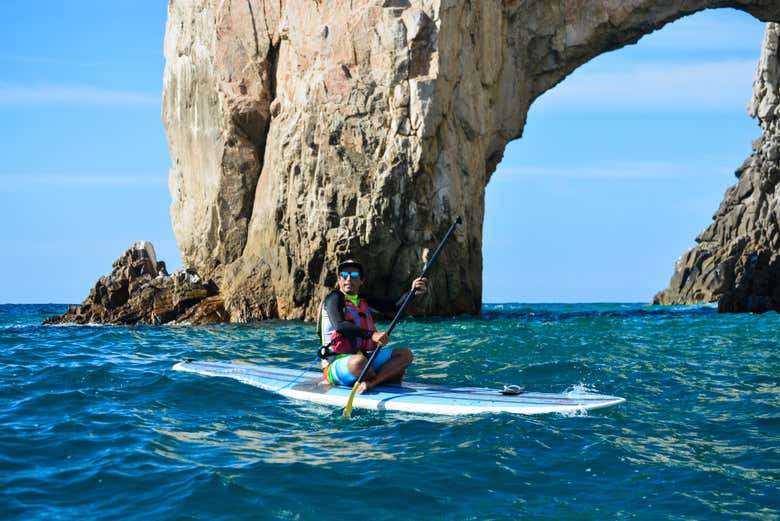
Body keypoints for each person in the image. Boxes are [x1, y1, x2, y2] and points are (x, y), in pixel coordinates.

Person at [317, 258, 427, 394]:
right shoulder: (333, 298)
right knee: (360, 363)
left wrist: (412, 292)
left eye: (354, 275)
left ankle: (371, 382)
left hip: (364, 359)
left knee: (405, 355)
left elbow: (394, 305)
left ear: (361, 280)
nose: (348, 278)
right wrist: (372, 335)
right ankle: (383, 375)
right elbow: (340, 326)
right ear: (339, 279)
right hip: (336, 365)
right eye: (344, 275)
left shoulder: (362, 299)